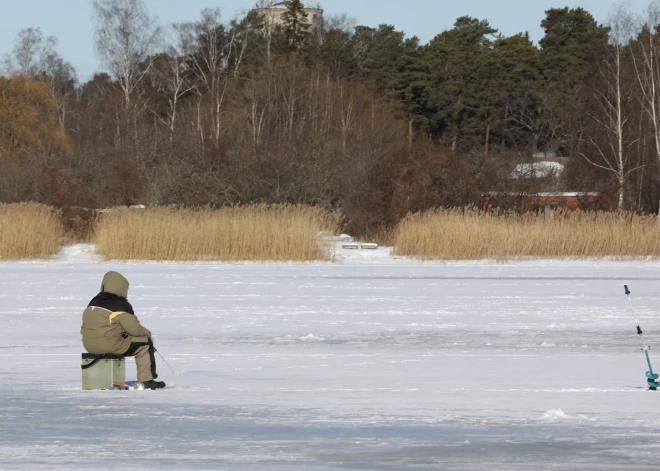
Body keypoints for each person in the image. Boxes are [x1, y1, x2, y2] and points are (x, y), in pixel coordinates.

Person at [81, 271, 166, 390]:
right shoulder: (120, 304)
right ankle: (147, 380)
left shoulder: (92, 302)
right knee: (144, 343)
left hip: (89, 345)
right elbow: (135, 330)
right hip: (110, 345)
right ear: (122, 287)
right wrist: (148, 334)